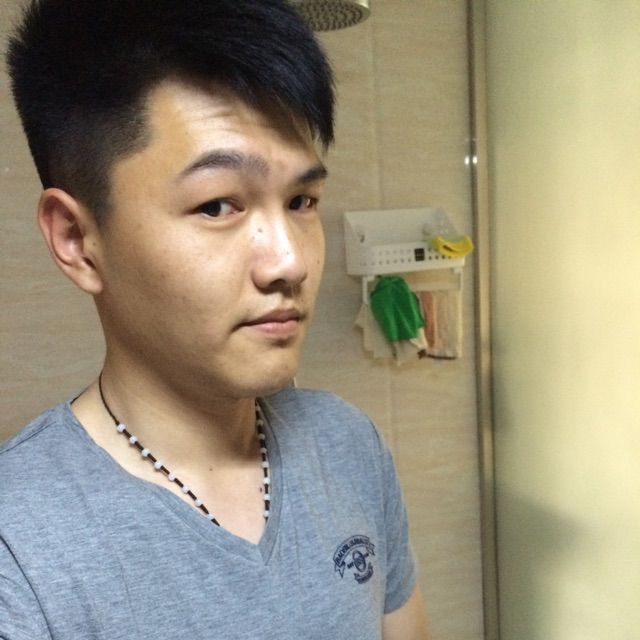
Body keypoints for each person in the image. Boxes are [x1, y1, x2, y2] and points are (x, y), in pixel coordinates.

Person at [1, 1, 429, 638]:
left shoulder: (347, 445)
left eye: (302, 200)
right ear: (76, 240)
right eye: (217, 206)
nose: (289, 262)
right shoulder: (21, 549)